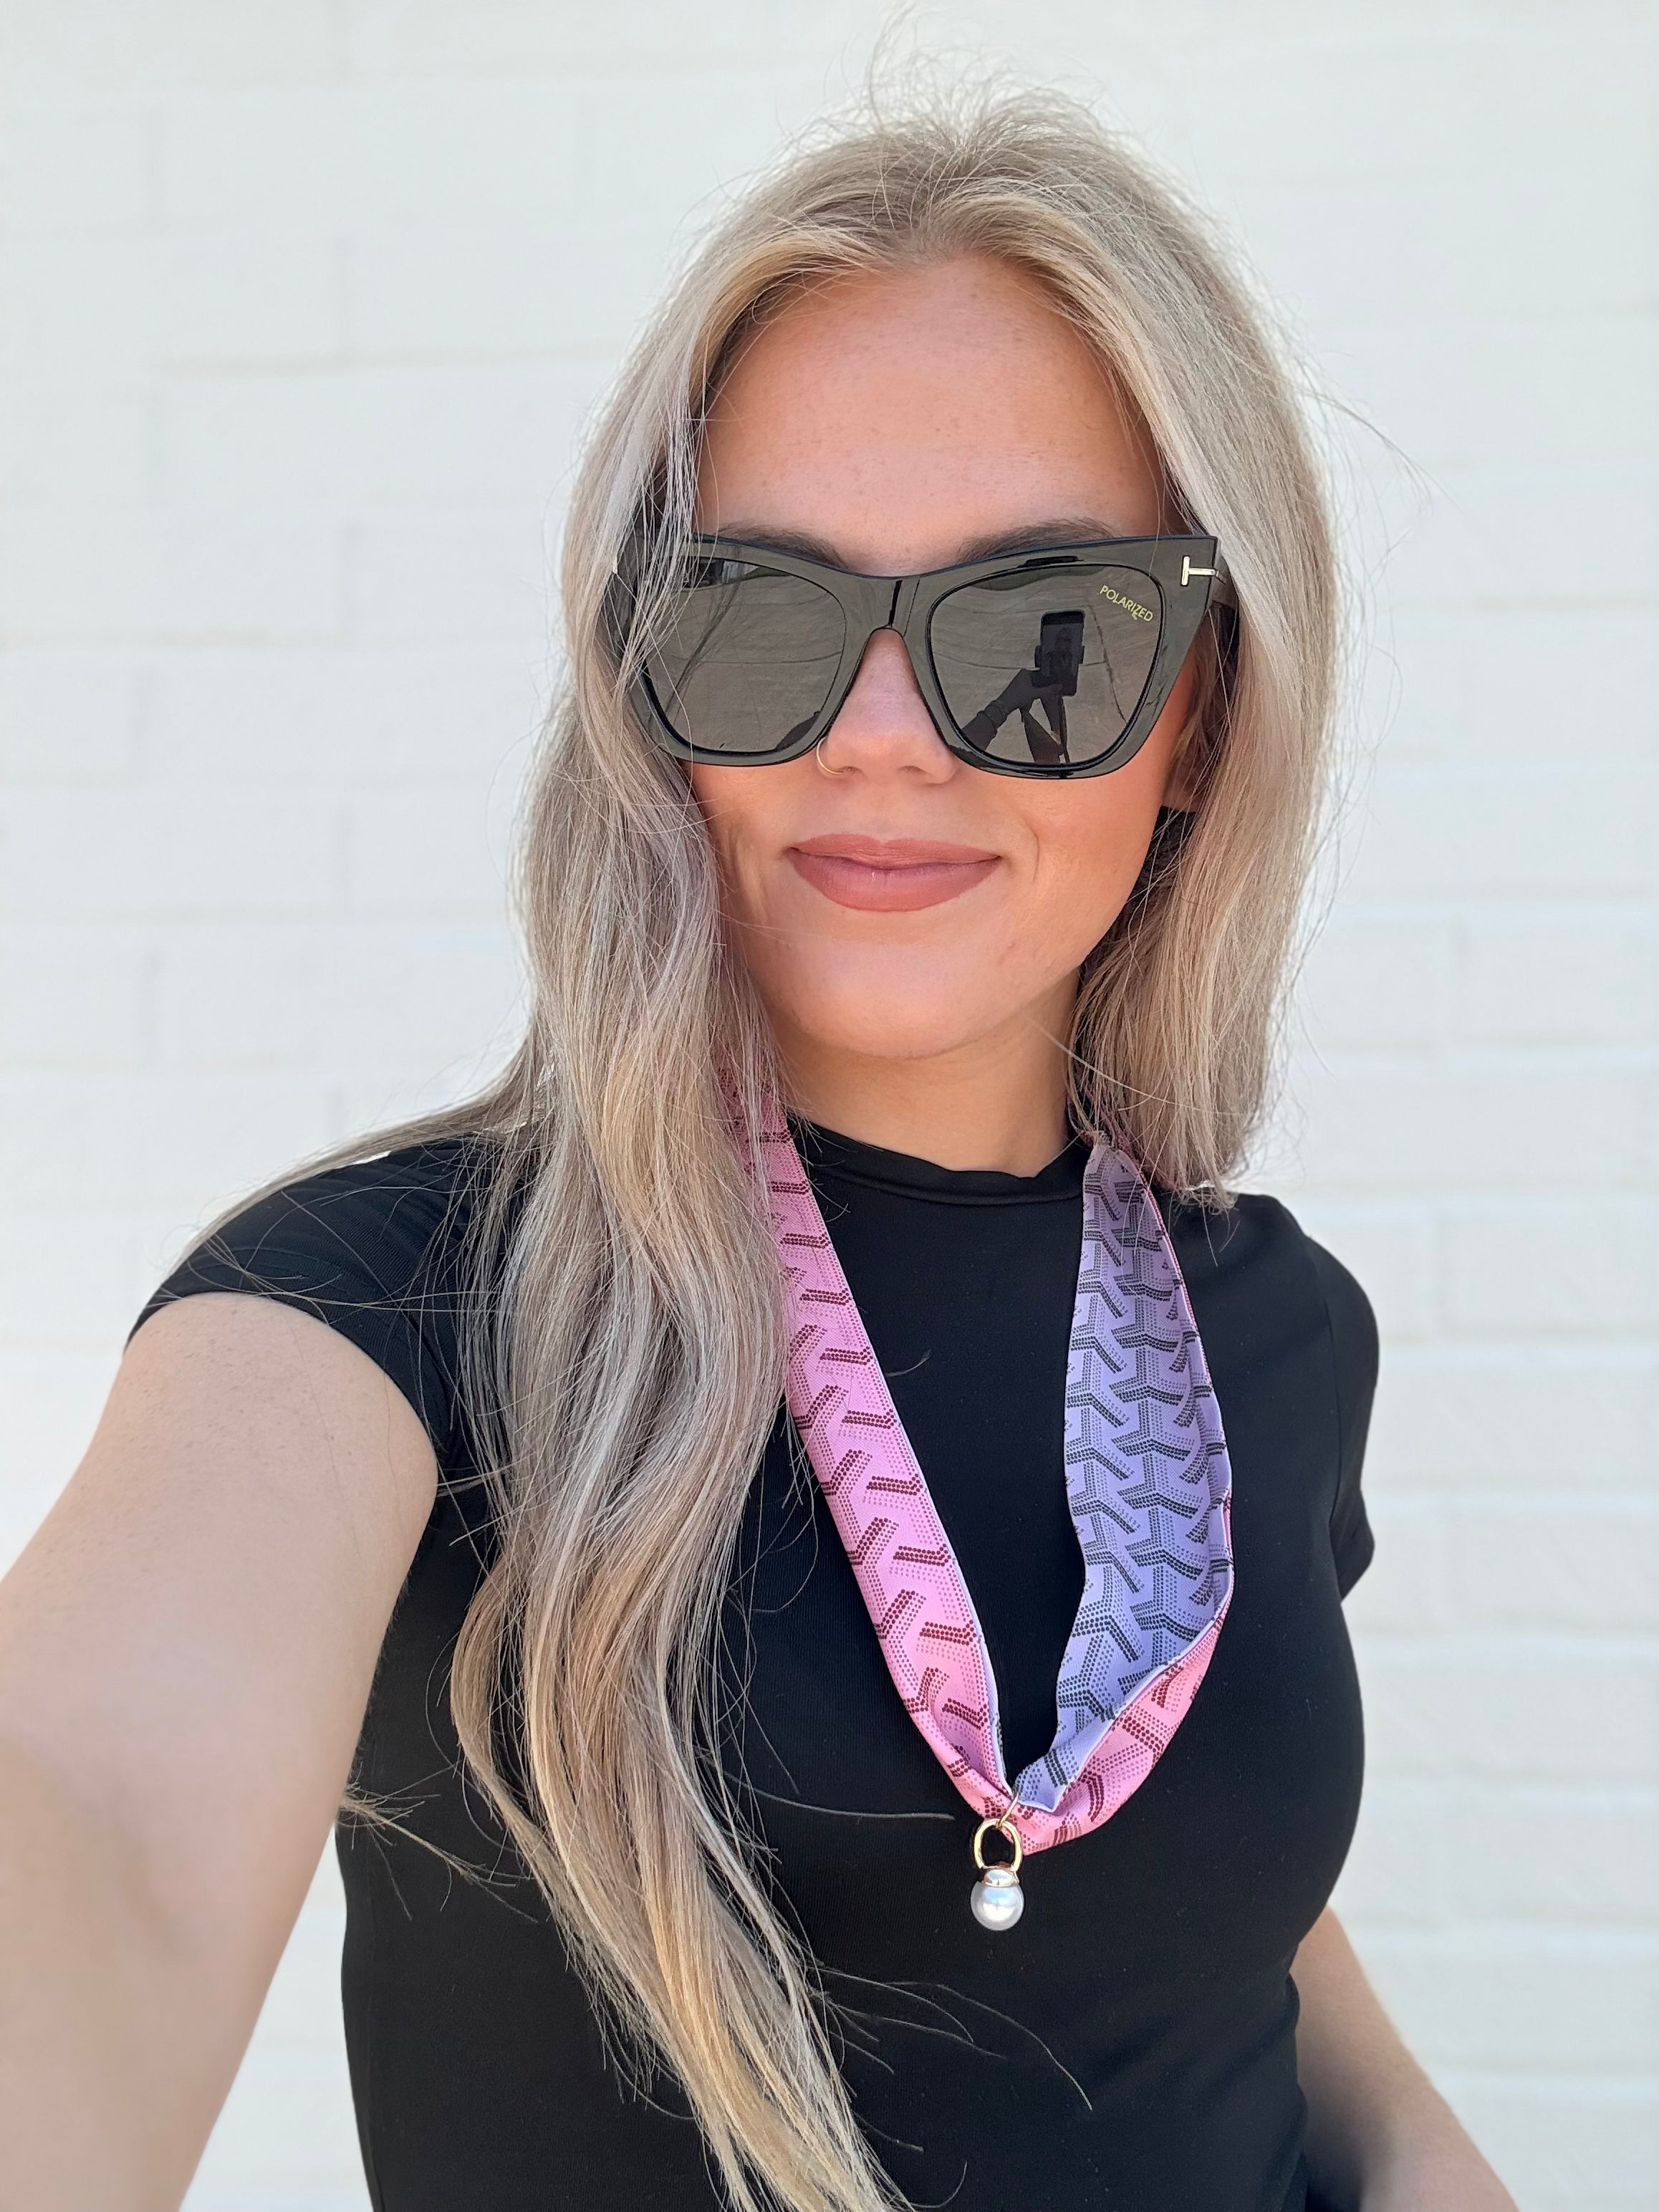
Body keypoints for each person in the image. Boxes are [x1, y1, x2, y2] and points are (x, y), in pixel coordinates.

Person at [0, 89, 1517, 2212]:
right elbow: (99, 1827)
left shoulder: (1264, 1323)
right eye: (760, 615)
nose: (879, 734)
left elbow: (1204, 1909)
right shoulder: (376, 1316)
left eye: (1046, 627)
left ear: (1202, 712)